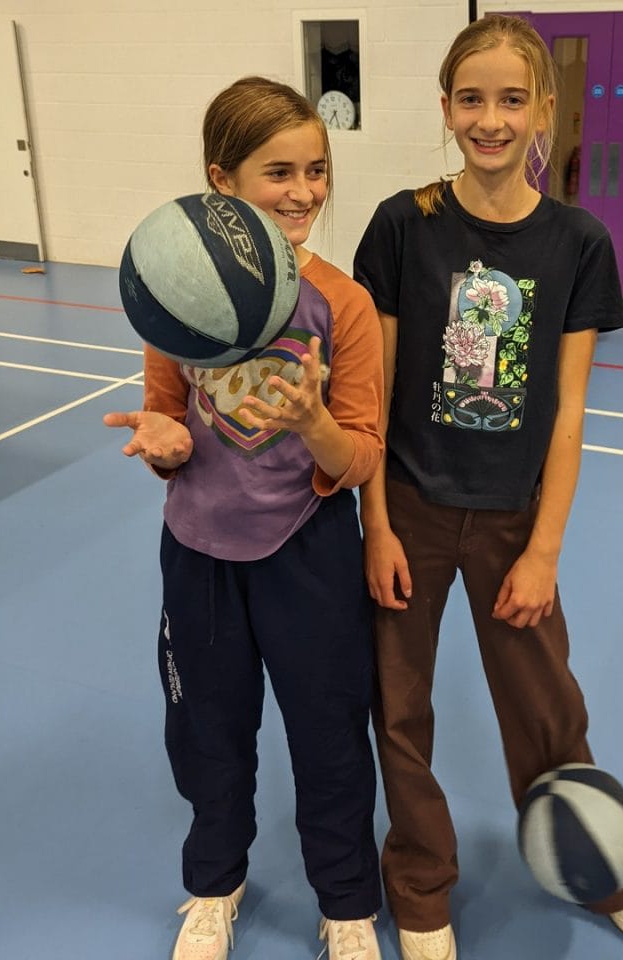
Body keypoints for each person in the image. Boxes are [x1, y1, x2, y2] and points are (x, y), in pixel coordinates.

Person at [353, 15, 623, 960]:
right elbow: (372, 395)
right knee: (400, 709)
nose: (489, 119)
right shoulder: (403, 224)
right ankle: (419, 889)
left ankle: (597, 866)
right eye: (470, 98)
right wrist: (376, 526)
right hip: (408, 508)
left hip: (511, 520)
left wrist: (543, 551)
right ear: (446, 106)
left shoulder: (578, 241)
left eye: (510, 99)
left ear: (544, 109)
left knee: (547, 707)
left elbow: (569, 414)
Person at [104, 76, 385, 960]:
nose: (305, 191)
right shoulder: (176, 299)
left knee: (330, 733)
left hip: (310, 552)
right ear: (222, 183)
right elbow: (172, 430)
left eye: (317, 170)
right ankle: (214, 884)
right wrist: (165, 444)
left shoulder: (342, 306)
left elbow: (364, 457)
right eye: (279, 172)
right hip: (198, 552)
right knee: (207, 729)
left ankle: (345, 903)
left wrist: (315, 427)